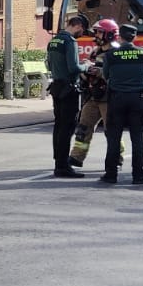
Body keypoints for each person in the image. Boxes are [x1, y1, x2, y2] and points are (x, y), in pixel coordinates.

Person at [99, 22, 143, 184]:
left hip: (117, 98)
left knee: (114, 138)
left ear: (119, 36)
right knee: (137, 138)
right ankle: (138, 175)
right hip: (137, 98)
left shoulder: (111, 55)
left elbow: (106, 75)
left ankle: (111, 174)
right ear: (134, 37)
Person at [70, 18, 117, 168]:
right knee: (83, 127)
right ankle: (76, 158)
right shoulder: (96, 52)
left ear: (109, 35)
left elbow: (117, 75)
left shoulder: (116, 52)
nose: (95, 35)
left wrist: (100, 72)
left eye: (99, 32)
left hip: (108, 98)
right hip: (93, 96)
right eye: (96, 32)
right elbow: (89, 75)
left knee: (111, 130)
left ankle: (116, 159)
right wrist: (85, 70)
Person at [47, 14, 87, 178]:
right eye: (82, 30)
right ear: (77, 25)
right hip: (69, 89)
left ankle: (58, 160)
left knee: (58, 126)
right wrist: (86, 66)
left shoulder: (54, 41)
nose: (81, 33)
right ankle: (63, 166)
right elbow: (74, 67)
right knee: (67, 127)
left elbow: (48, 64)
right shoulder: (70, 41)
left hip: (56, 87)